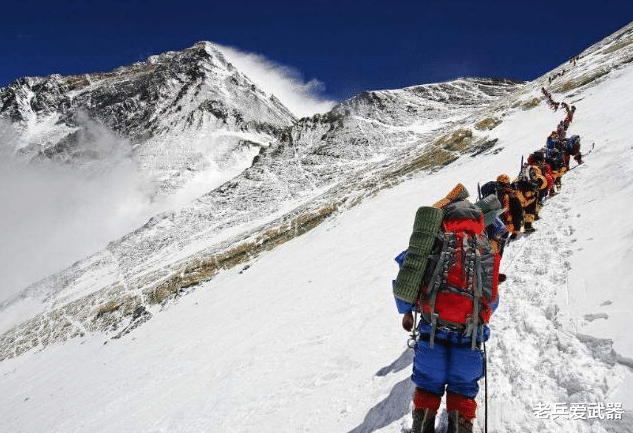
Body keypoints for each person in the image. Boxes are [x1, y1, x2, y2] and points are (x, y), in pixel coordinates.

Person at [394, 185, 502, 433]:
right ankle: (460, 424)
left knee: (428, 382)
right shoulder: (486, 250)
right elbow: (492, 299)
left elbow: (407, 276)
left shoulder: (434, 245)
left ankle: (422, 424)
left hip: (433, 327)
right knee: (463, 385)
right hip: (470, 332)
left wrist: (407, 312)